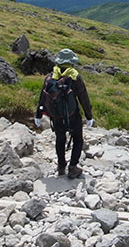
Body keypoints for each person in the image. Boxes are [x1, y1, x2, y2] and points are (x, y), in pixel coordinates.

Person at [35, 48, 94, 178]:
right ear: (72, 63)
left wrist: (38, 115)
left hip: (56, 116)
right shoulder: (74, 77)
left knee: (60, 139)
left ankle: (61, 166)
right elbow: (83, 97)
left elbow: (42, 97)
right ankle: (73, 167)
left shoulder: (50, 77)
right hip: (73, 115)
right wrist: (89, 116)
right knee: (78, 140)